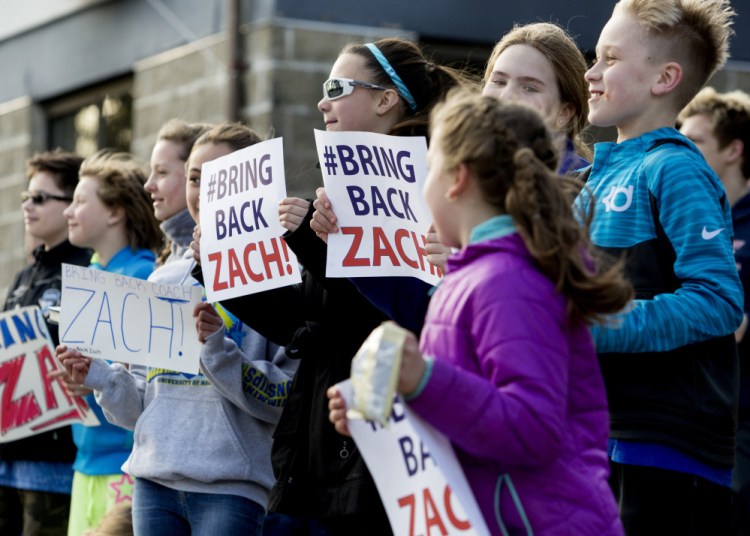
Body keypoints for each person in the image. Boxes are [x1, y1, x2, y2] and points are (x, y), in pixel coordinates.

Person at [191, 37, 469, 535]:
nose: (323, 102)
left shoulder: (437, 190)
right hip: (320, 443)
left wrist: (313, 247)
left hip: (386, 441)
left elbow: (395, 318)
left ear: (386, 99)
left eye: (337, 88)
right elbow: (304, 324)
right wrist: (220, 267)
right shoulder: (336, 192)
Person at [328, 90, 631, 535]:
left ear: (456, 180)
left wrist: (422, 379)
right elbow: (467, 416)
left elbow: (531, 429)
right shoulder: (475, 277)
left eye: (429, 170)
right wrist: (383, 417)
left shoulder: (508, 282)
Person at [58, 122, 297, 536]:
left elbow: (283, 399)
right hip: (154, 485)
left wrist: (217, 351)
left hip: (233, 490)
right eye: (194, 179)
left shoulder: (282, 281)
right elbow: (140, 407)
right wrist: (97, 374)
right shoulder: (164, 279)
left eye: (218, 179)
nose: (203, 192)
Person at [578, 1, 741, 533]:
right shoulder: (594, 181)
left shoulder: (674, 168)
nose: (591, 72)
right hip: (599, 432)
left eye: (610, 58)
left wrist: (600, 325)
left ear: (665, 78)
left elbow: (719, 301)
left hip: (668, 446)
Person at [61, 150, 162, 535]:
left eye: (80, 201)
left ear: (115, 212)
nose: (69, 211)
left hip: (123, 461)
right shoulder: (90, 273)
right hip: (84, 459)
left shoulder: (143, 274)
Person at [0, 150, 91, 536]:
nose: (27, 206)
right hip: (9, 451)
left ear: (72, 205)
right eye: (26, 197)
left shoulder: (88, 269)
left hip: (54, 457)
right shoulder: (25, 274)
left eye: (39, 198)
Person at [678, 87, 750, 535]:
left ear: (733, 150)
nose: (683, 150)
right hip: (680, 421)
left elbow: (730, 326)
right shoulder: (681, 214)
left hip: (737, 430)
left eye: (696, 141)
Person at [482, 21, 591, 174]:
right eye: (499, 82)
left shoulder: (589, 188)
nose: (505, 96)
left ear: (565, 112)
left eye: (529, 88)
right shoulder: (456, 167)